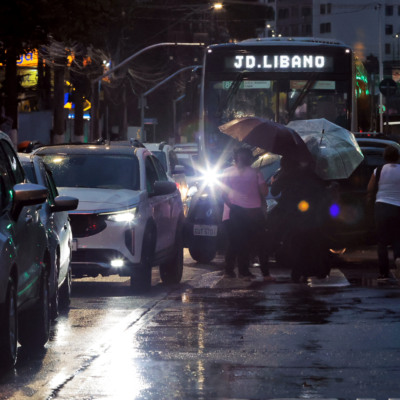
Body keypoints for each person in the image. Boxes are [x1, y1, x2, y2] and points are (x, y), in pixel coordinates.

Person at [268, 156, 331, 282]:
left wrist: (275, 181)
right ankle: (315, 269)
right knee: (311, 242)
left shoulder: (286, 175)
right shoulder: (311, 175)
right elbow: (323, 190)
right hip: (312, 214)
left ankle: (298, 271)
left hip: (293, 215)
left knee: (296, 244)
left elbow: (274, 191)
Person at [221, 147, 274, 281]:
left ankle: (235, 271)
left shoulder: (229, 172)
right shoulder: (255, 172)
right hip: (249, 212)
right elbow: (265, 192)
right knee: (252, 243)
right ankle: (246, 272)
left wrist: (231, 207)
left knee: (237, 242)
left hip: (238, 212)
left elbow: (222, 194)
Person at [367, 145, 400, 281]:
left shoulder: (378, 170)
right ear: (397, 157)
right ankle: (398, 258)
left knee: (381, 241)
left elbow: (370, 189)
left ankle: (384, 272)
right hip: (398, 207)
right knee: (398, 238)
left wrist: (368, 202)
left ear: (384, 157)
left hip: (381, 206)